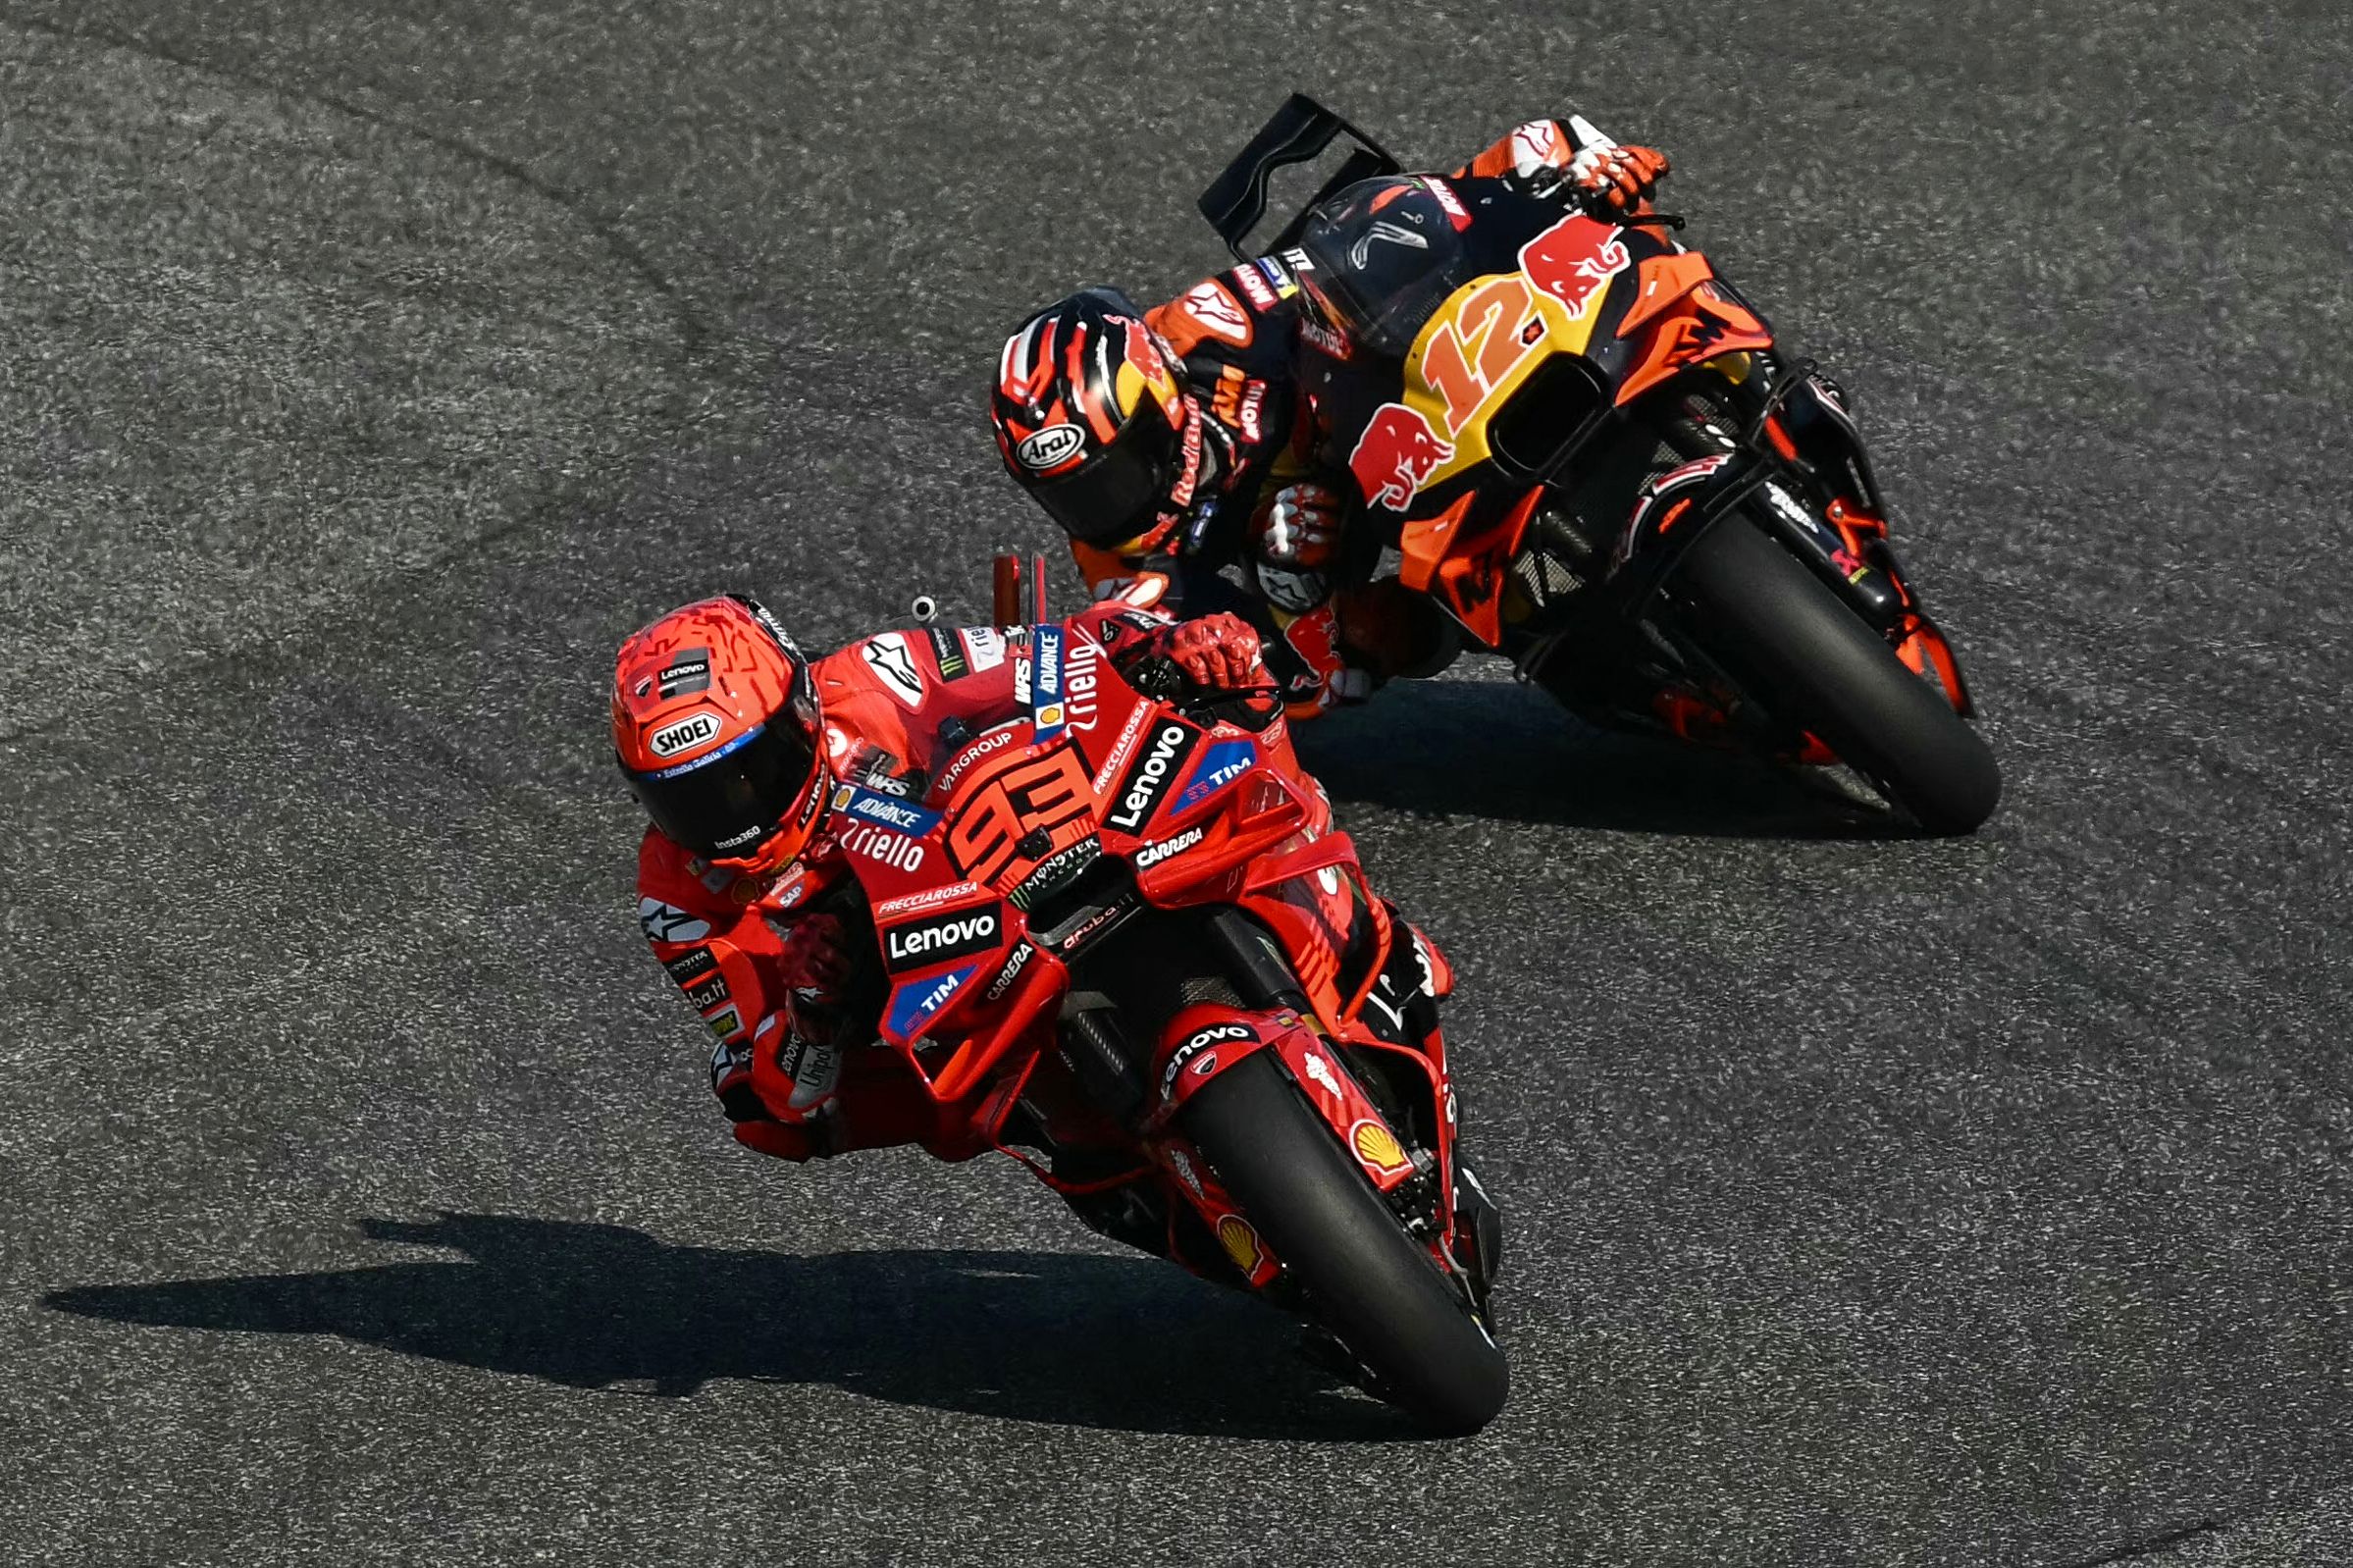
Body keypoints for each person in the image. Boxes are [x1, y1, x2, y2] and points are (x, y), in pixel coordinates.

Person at [987, 116, 1672, 717]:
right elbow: (1238, 687)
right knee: (1351, 657)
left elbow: (1365, 246)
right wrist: (1294, 608)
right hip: (1349, 532)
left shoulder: (1210, 327)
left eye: (1116, 473)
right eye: (1075, 497)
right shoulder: (1119, 564)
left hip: (1401, 405)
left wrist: (1546, 179)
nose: (1111, 508)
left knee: (1553, 171)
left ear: (1159, 398)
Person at [613, 591, 1270, 1163]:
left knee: (1236, 702)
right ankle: (1051, 1134)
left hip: (1027, 850)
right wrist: (810, 1010)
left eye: (749, 772)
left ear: (802, 714)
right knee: (758, 1116)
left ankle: (1324, 907)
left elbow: (1052, 649)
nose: (735, 817)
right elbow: (784, 1093)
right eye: (690, 801)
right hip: (916, 995)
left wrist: (1159, 644)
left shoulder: (878, 675)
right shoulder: (676, 898)